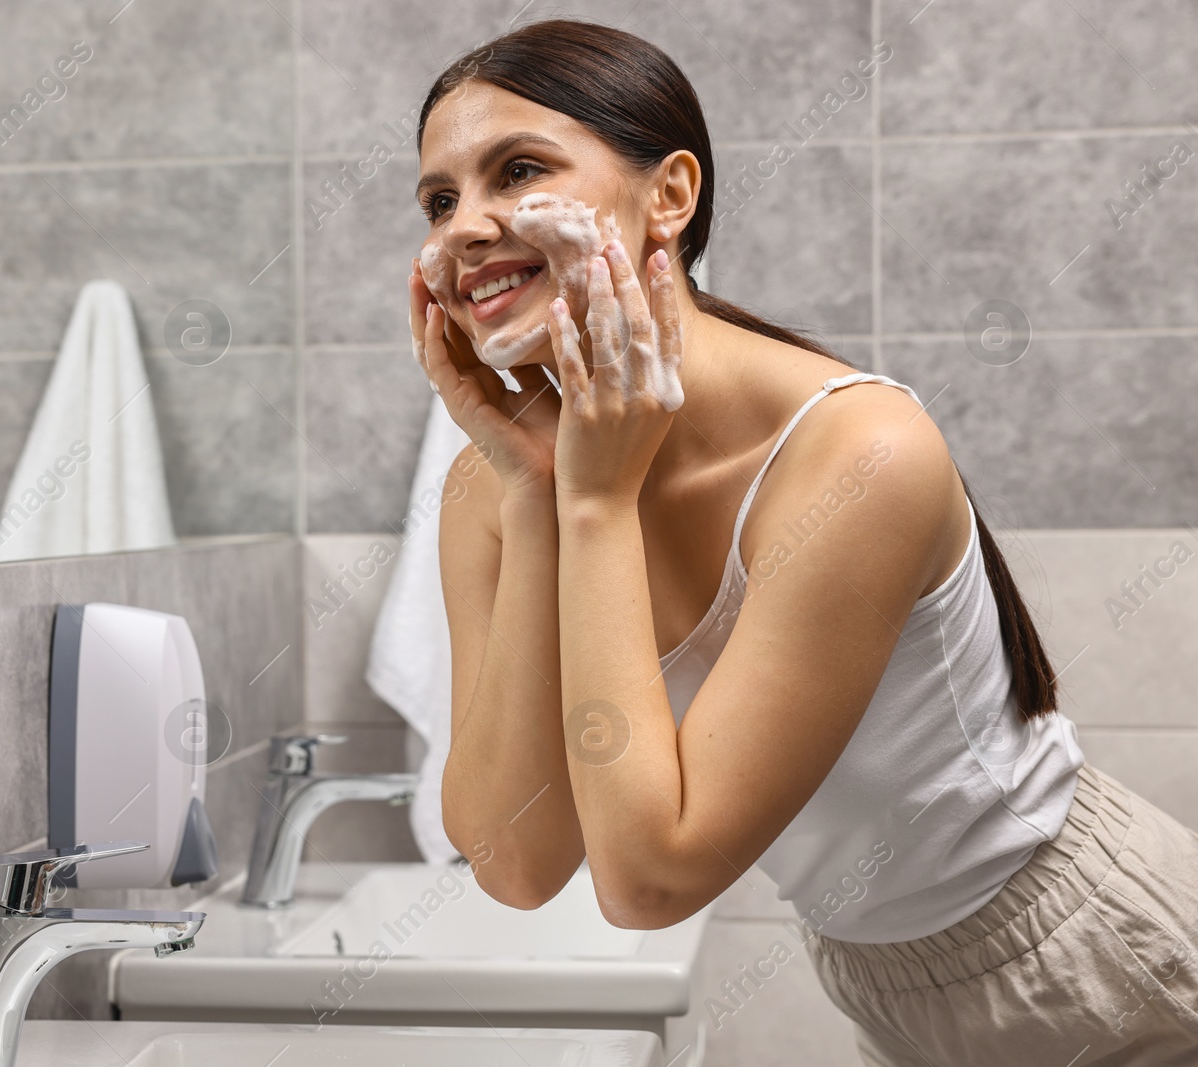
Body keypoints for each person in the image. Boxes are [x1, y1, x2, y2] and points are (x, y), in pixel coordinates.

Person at [409, 19, 1198, 1067]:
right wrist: (536, 496)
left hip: (1102, 961)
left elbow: (649, 878)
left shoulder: (857, 453)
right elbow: (515, 858)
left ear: (670, 195)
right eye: (438, 199)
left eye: (517, 170)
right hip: (885, 984)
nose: (467, 225)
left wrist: (594, 507)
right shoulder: (498, 478)